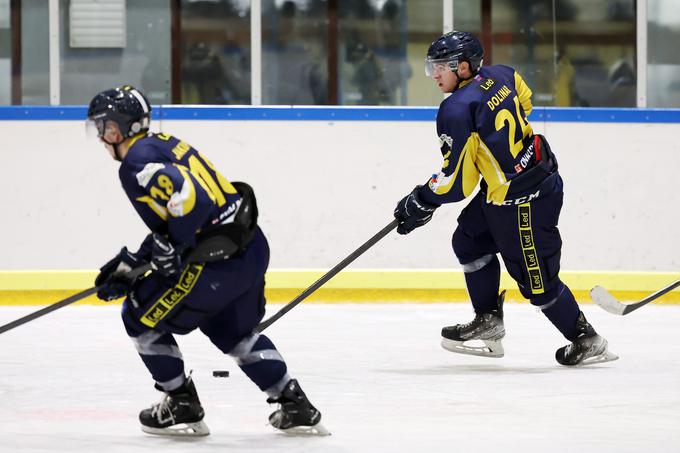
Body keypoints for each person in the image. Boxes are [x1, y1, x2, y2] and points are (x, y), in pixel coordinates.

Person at [86, 85, 328, 436]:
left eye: (104, 127)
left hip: (214, 263)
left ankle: (181, 403)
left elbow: (187, 195)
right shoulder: (163, 141)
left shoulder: (135, 163)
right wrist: (143, 257)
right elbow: (187, 207)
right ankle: (294, 402)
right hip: (249, 247)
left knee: (138, 315)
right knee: (232, 331)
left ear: (119, 128)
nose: (101, 136)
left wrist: (173, 246)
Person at [393, 32, 618, 366]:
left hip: (525, 200)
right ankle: (489, 321)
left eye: (442, 67)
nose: (435, 74)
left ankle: (587, 339)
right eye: (433, 67)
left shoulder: (455, 109)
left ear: (464, 66)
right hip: (514, 187)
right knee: (469, 241)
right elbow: (524, 103)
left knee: (537, 282)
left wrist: (422, 199)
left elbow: (456, 184)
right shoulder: (504, 74)